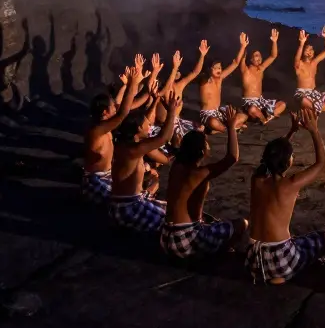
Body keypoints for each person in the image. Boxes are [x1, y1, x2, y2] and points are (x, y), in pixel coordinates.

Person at [245, 107, 325, 284]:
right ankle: (284, 274)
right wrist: (314, 130)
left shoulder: (257, 180)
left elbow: (272, 157)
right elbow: (322, 164)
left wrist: (292, 131)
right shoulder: (290, 184)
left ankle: (277, 271)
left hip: (254, 258)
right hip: (280, 260)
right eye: (291, 155)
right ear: (287, 162)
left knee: (295, 241)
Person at [160, 106, 249, 259]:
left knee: (210, 220)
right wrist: (231, 127)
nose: (209, 145)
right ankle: (220, 255)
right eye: (206, 143)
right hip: (184, 239)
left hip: (166, 236)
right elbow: (232, 158)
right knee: (241, 224)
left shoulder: (177, 166)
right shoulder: (198, 173)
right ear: (202, 152)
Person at [108, 90, 182, 234]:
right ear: (139, 128)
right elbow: (163, 138)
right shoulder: (134, 149)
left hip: (122, 203)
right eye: (147, 124)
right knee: (172, 223)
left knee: (172, 209)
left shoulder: (126, 144)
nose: (150, 126)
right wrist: (172, 111)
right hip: (128, 207)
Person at [82, 59, 145, 205]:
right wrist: (133, 83)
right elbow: (123, 112)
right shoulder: (97, 130)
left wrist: (133, 83)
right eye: (112, 108)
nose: (115, 109)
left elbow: (121, 106)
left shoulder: (104, 126)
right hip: (96, 180)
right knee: (127, 197)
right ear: (105, 112)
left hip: (107, 175)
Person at [197, 34, 249, 133]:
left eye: (220, 68)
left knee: (243, 116)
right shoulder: (205, 80)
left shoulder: (220, 78)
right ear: (209, 69)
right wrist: (202, 55)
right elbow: (197, 71)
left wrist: (243, 46)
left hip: (218, 112)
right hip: (208, 114)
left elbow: (235, 63)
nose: (219, 70)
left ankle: (221, 129)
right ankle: (229, 129)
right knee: (213, 122)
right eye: (216, 68)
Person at [239, 29, 285, 124]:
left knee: (282, 104)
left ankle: (267, 116)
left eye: (260, 56)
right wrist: (243, 46)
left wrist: (274, 41)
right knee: (252, 109)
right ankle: (264, 118)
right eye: (256, 55)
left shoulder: (261, 69)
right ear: (250, 59)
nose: (259, 58)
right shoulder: (245, 70)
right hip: (249, 102)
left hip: (261, 101)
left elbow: (273, 56)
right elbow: (241, 58)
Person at [294, 26, 325, 112]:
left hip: (314, 94)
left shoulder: (314, 62)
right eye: (307, 49)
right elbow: (297, 59)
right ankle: (319, 108)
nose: (309, 51)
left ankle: (318, 108)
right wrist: (302, 43)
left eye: (311, 50)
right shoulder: (299, 64)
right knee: (302, 99)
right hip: (302, 94)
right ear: (302, 51)